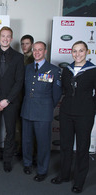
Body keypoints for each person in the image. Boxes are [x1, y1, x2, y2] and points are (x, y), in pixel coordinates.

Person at [51, 41, 96, 193]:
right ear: (71, 53)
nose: (78, 54)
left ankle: (79, 181)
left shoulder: (93, 70)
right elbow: (64, 90)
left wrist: (91, 107)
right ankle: (63, 175)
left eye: (81, 51)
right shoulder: (67, 70)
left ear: (87, 52)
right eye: (75, 51)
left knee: (82, 148)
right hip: (66, 113)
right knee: (65, 145)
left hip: (85, 114)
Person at [21, 41, 62, 182]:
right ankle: (27, 163)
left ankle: (42, 169)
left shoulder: (54, 70)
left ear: (45, 51)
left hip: (43, 112)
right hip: (27, 110)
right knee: (26, 140)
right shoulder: (27, 68)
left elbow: (56, 95)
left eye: (40, 50)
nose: (37, 52)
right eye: (35, 50)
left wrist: (46, 107)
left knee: (43, 143)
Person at [0, 26, 25, 172]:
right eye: (3, 36)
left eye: (8, 36)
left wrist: (7, 100)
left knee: (10, 132)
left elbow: (19, 81)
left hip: (11, 102)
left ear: (11, 38)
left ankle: (7, 159)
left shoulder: (18, 57)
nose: (5, 38)